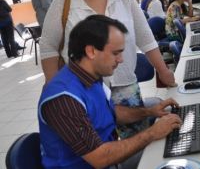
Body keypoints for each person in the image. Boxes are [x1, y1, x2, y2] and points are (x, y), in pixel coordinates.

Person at [40, 0, 176, 139]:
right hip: (85, 90)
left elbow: (145, 38)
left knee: (137, 142)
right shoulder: (65, 2)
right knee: (101, 145)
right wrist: (54, 89)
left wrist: (164, 71)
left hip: (124, 84)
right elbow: (48, 48)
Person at [38, 15, 182, 169]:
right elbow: (100, 158)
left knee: (168, 144)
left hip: (108, 159)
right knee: (166, 157)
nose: (120, 60)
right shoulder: (63, 99)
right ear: (91, 51)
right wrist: (152, 133)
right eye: (115, 53)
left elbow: (110, 112)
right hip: (100, 161)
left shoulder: (89, 75)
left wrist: (150, 112)